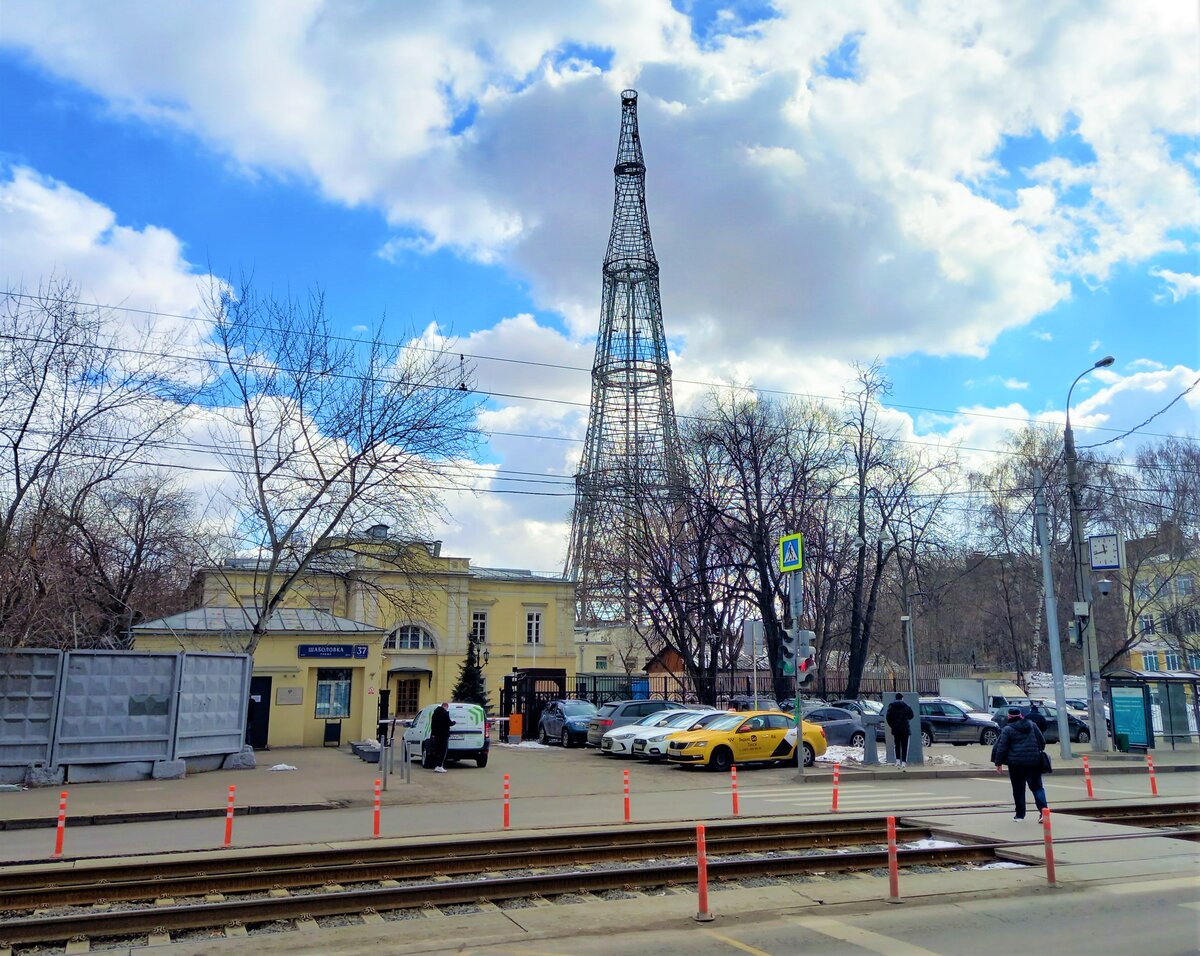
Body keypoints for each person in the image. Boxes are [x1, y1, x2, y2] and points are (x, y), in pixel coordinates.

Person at [991, 706, 1048, 821]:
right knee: (1037, 788)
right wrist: (1035, 751)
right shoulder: (1032, 725)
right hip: (1033, 762)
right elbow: (1042, 742)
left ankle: (1020, 815)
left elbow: (1002, 747)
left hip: (1016, 764)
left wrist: (998, 763)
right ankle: (1044, 812)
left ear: (1009, 716)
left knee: (1018, 789)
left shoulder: (1007, 729)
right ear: (1021, 715)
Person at [885, 693, 914, 768]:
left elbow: (888, 717)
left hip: (896, 729)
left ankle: (897, 761)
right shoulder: (906, 706)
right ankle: (903, 762)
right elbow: (911, 716)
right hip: (905, 729)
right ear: (902, 698)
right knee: (905, 746)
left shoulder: (891, 706)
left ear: (896, 698)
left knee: (897, 745)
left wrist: (892, 725)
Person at [429, 701, 456, 773]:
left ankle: (437, 765)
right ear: (446, 707)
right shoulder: (445, 713)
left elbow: (433, 724)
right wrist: (454, 722)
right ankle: (439, 766)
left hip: (436, 735)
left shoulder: (435, 713)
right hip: (443, 735)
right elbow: (449, 723)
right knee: (443, 751)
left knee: (437, 750)